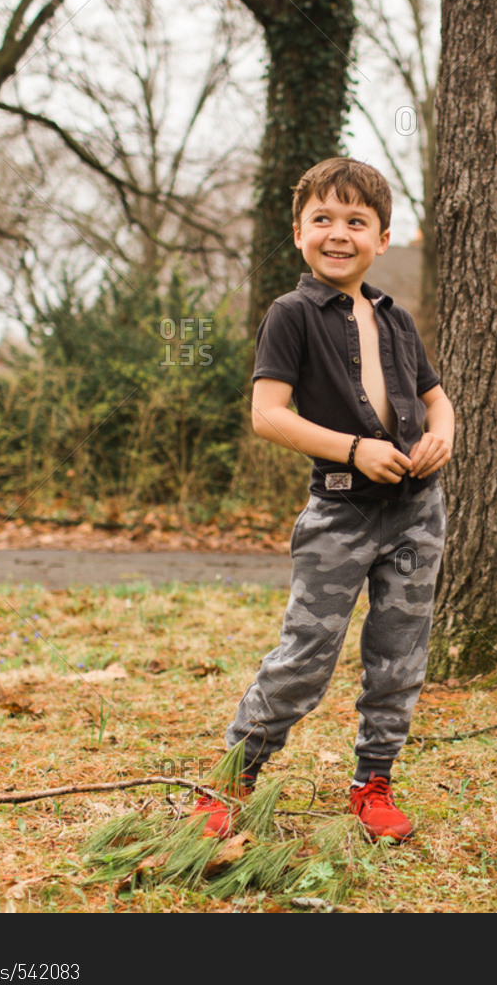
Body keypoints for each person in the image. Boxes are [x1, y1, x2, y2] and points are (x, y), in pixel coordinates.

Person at [192, 157, 454, 843]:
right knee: (306, 654)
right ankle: (230, 777)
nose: (339, 234)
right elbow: (267, 414)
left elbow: (435, 397)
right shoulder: (292, 315)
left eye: (357, 222)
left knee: (399, 656)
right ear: (299, 233)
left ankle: (374, 783)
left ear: (383, 239)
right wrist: (352, 448)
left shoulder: (395, 318)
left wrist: (443, 436)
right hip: (342, 511)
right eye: (324, 220)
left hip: (417, 512)